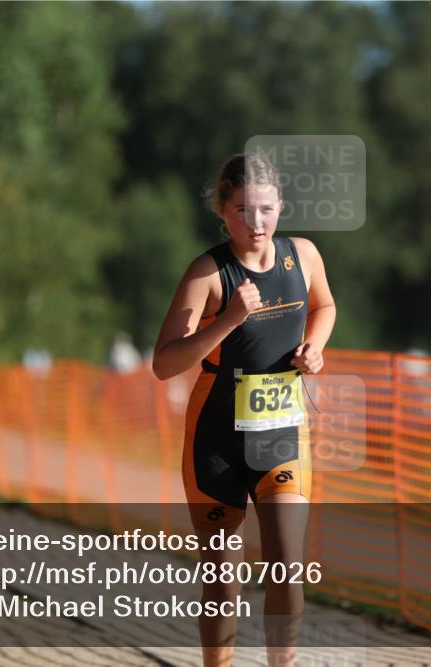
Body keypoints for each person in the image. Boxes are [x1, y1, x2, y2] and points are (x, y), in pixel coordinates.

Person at [152, 152, 336, 667]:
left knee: (286, 565)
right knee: (220, 577)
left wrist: (314, 347)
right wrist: (228, 320)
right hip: (216, 439)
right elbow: (164, 364)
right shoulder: (208, 273)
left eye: (266, 209)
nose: (255, 223)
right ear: (221, 210)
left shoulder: (303, 256)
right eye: (241, 211)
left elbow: (324, 306)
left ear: (280, 206)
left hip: (282, 432)